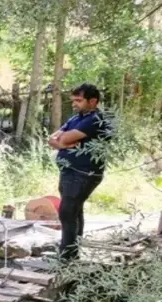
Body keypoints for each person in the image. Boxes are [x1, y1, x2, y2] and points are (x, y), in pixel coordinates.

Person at [47, 83, 112, 261]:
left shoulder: (95, 119)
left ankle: (66, 257)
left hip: (84, 173)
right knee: (75, 211)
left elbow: (63, 137)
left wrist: (63, 141)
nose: (74, 103)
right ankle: (72, 252)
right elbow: (51, 139)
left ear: (93, 101)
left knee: (68, 212)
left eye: (79, 100)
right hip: (70, 171)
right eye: (73, 100)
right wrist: (63, 142)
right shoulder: (76, 118)